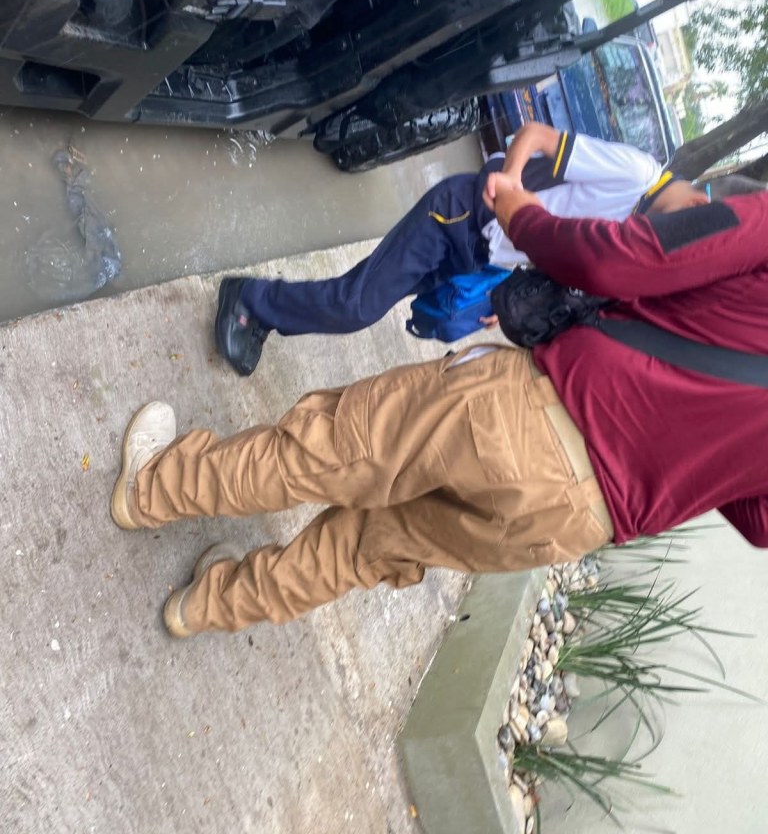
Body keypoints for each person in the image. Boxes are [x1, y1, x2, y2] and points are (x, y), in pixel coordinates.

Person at [111, 172, 768, 638]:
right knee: (366, 550)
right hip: (576, 522)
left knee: (333, 450)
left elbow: (619, 261)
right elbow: (758, 522)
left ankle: (152, 490)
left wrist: (521, 214)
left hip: (533, 415)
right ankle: (203, 607)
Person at [214, 122, 668, 375]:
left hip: (481, 257)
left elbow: (558, 241)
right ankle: (249, 300)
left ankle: (267, 315)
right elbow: (534, 135)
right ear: (697, 204)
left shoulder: (641, 239)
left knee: (366, 290)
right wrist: (510, 179)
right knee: (358, 306)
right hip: (461, 215)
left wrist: (506, 292)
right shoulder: (637, 175)